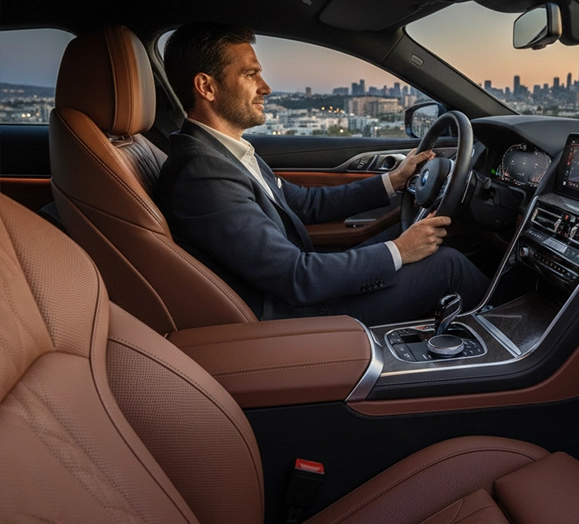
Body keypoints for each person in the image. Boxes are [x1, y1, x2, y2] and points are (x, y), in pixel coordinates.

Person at [155, 22, 489, 325]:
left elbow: (306, 203)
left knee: (430, 241)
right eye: (250, 74)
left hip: (296, 289)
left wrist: (394, 180)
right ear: (207, 87)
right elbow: (294, 277)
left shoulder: (224, 152)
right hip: (292, 313)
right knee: (447, 264)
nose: (266, 87)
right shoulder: (202, 173)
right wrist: (401, 251)